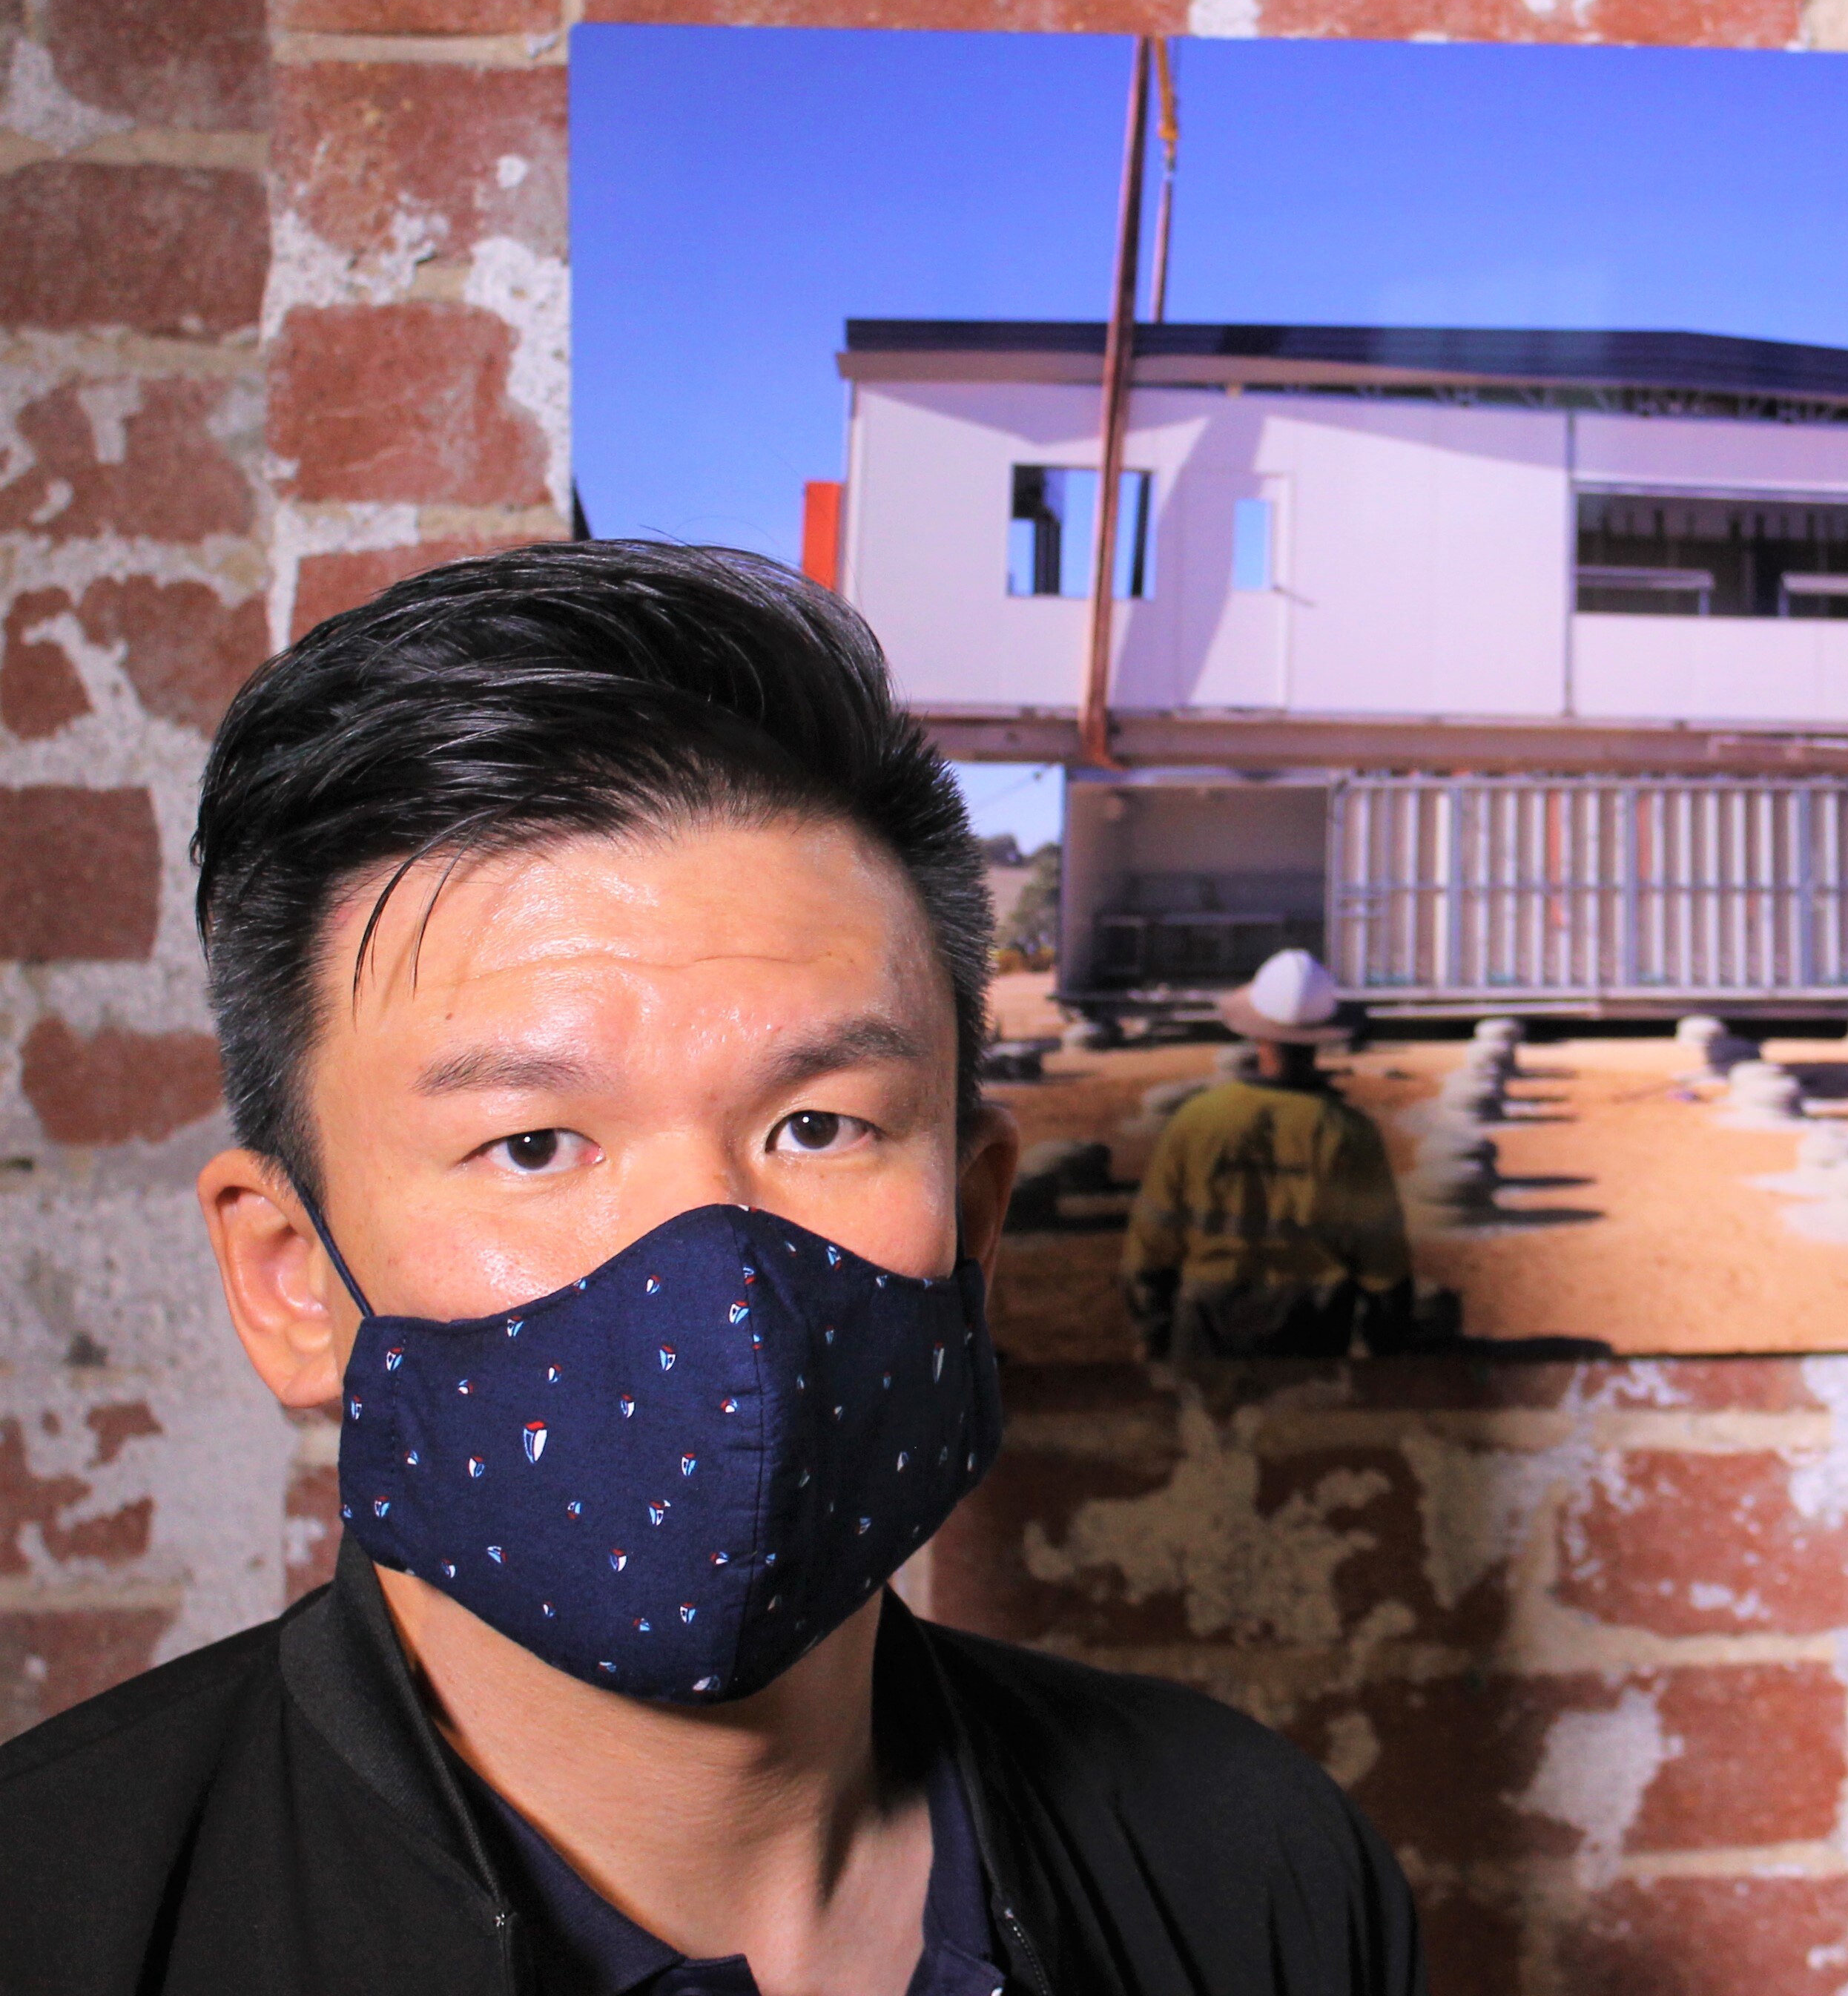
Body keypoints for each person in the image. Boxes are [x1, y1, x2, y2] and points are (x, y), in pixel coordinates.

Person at [0, 546, 1422, 1996]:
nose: (717, 1270)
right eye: (535, 1140)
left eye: (818, 1123)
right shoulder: (58, 1917)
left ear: (974, 1220)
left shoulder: (1259, 1874)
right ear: (292, 1277)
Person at [1123, 951, 1413, 1359]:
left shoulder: (1198, 1119)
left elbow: (1151, 1243)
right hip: (1313, 1330)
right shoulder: (1350, 1134)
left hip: (1207, 1326)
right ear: (1323, 1035)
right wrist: (1388, 1344)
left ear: (1256, 1033)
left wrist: (1154, 1334)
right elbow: (1384, 1259)